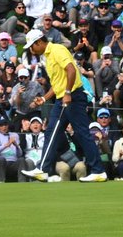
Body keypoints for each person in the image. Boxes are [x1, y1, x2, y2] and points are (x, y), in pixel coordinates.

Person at [20, 29, 108, 182]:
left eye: (32, 46)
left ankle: (98, 170)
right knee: (51, 132)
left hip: (73, 96)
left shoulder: (57, 49)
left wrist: (67, 92)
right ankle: (43, 169)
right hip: (63, 99)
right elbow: (57, 84)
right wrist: (44, 98)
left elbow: (71, 70)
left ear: (39, 42)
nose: (31, 50)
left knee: (81, 134)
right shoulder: (47, 57)